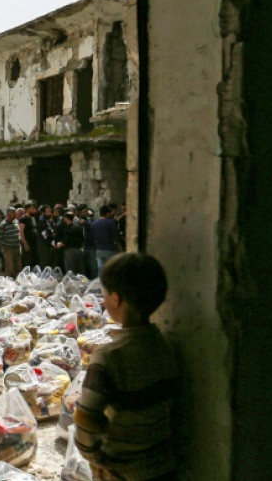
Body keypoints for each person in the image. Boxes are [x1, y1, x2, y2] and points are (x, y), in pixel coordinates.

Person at [74, 253, 178, 481]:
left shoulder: (108, 357)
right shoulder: (164, 344)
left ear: (116, 298)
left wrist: (94, 457)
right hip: (162, 465)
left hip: (121, 471)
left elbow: (87, 420)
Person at [91, 205, 120, 275]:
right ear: (107, 213)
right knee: (112, 269)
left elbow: (92, 237)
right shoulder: (110, 222)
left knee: (101, 269)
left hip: (99, 249)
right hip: (110, 249)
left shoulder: (94, 224)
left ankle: (101, 283)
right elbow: (116, 237)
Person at [0, 208, 23, 278]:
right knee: (9, 268)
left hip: (17, 248)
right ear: (8, 214)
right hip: (8, 250)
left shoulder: (16, 222)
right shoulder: (3, 224)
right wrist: (3, 250)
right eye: (13, 213)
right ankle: (8, 283)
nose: (15, 214)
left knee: (18, 267)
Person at [19, 203, 39, 269]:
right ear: (27, 209)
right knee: (28, 262)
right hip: (27, 243)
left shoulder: (33, 218)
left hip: (34, 243)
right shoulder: (23, 218)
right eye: (33, 209)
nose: (34, 210)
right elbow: (21, 232)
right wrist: (25, 244)